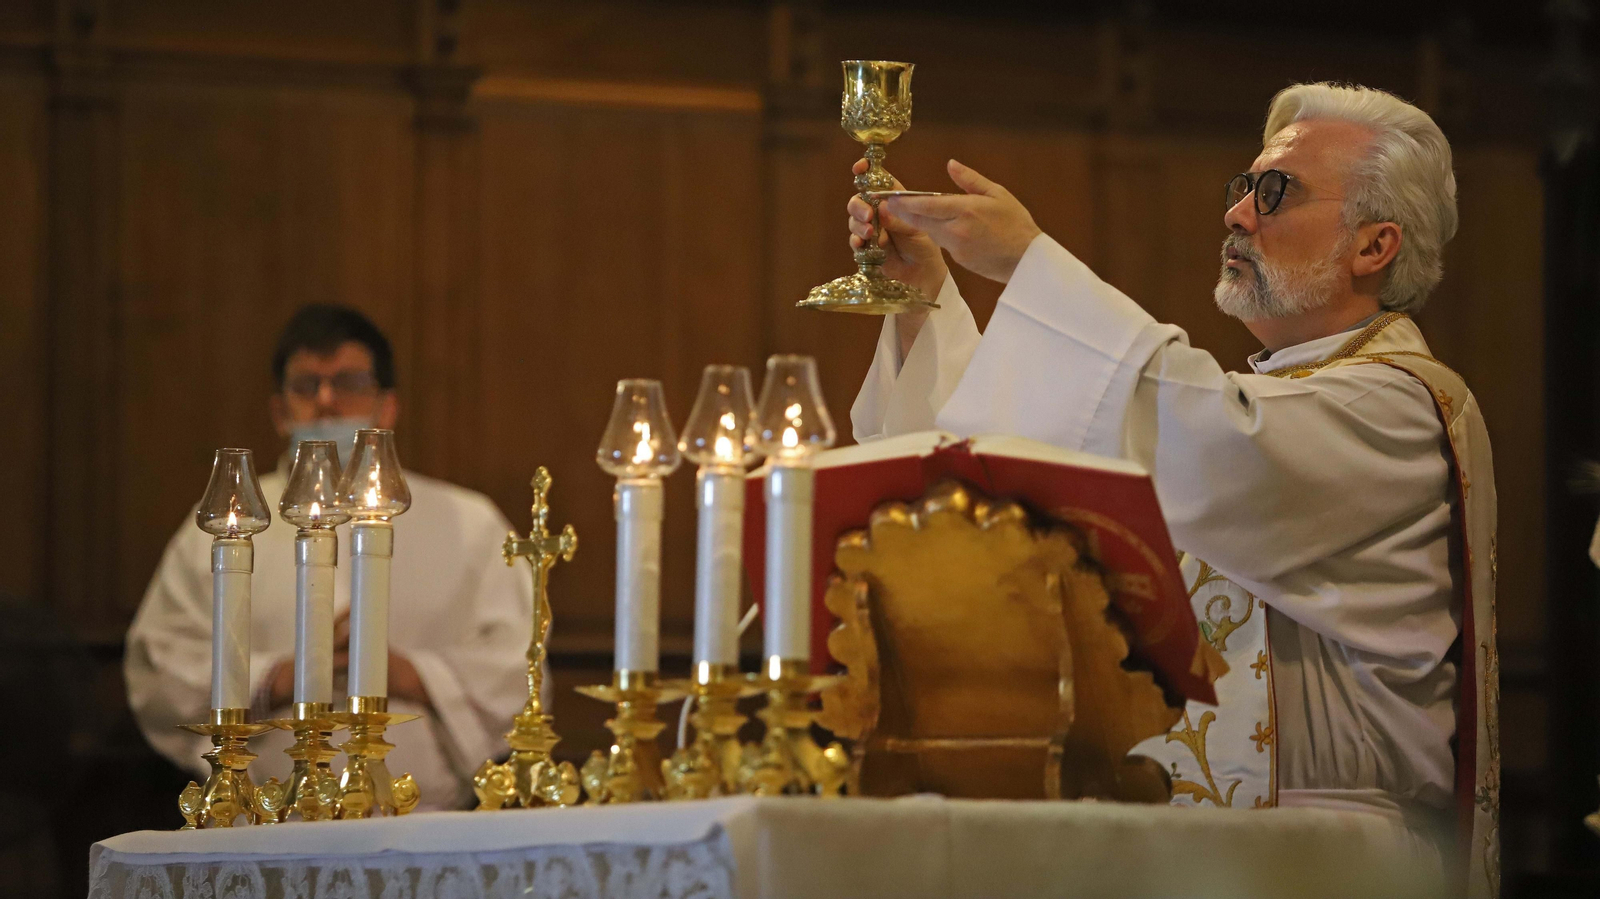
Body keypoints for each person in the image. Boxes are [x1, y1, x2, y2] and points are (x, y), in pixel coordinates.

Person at [847, 82, 1497, 893]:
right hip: (1200, 847)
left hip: (1330, 862)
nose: (1237, 213)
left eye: (1276, 191)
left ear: (1375, 246)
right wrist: (923, 301)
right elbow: (1022, 472)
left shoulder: (1398, 408)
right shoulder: (1266, 403)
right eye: (1243, 186)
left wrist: (1028, 264)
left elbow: (1217, 441)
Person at [126, 305, 533, 811]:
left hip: (422, 817)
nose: (325, 401)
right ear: (279, 412)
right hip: (264, 817)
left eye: (349, 383)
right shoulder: (228, 519)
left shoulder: (471, 524)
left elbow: (517, 662)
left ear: (387, 407)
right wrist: (275, 679)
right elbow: (161, 661)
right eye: (306, 386)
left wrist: (410, 675)